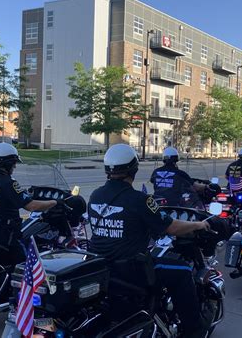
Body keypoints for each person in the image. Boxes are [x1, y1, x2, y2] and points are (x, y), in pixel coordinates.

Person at [88, 144, 211, 338]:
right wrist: (197, 225)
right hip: (132, 270)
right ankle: (195, 330)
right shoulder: (140, 199)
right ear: (134, 169)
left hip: (102, 267)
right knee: (183, 272)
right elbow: (171, 227)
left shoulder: (95, 195)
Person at [0, 142, 58, 264]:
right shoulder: (8, 182)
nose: (15, 167)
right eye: (14, 163)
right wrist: (54, 202)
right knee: (24, 265)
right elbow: (32, 206)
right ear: (8, 163)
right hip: (5, 237)